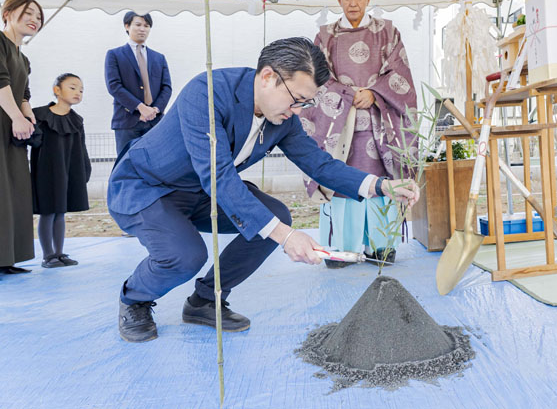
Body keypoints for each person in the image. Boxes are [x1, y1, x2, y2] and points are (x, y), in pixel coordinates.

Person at [108, 37, 420, 342]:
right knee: (186, 256)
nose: (298, 111)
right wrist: (285, 237)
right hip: (147, 187)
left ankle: (204, 300)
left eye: (306, 103)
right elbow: (218, 176)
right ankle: (134, 299)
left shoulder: (281, 117)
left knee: (274, 215)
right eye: (296, 99)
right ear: (268, 76)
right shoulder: (208, 92)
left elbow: (320, 165)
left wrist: (381, 185)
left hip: (201, 193)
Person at [301, 0, 417, 267]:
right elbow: (316, 78)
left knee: (380, 180)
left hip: (379, 126)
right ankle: (340, 247)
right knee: (340, 180)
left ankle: (381, 246)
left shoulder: (388, 32)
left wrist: (375, 93)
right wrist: (349, 95)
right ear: (339, 0)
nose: (353, 3)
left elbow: (400, 75)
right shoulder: (324, 36)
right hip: (340, 129)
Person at [0, 0, 44, 275]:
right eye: (28, 13)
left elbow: (23, 93)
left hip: (14, 130)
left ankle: (8, 258)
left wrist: (27, 115)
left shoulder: (23, 57)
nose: (35, 19)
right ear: (7, 13)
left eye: (39, 17)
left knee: (14, 190)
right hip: (6, 121)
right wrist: (17, 116)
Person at [31, 73, 91, 268]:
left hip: (68, 171)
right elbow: (32, 141)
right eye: (72, 87)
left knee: (60, 212)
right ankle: (48, 255)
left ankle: (59, 253)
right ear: (57, 90)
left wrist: (84, 171)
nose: (78, 93)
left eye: (81, 90)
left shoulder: (77, 120)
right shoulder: (40, 115)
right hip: (46, 173)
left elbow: (81, 148)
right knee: (48, 212)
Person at [105, 11, 172, 155]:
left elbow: (166, 87)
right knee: (126, 164)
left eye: (146, 25)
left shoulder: (159, 58)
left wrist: (155, 110)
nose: (142, 29)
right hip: (127, 120)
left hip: (155, 121)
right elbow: (114, 86)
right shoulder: (115, 54)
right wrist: (140, 108)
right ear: (127, 26)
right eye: (138, 24)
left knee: (156, 162)